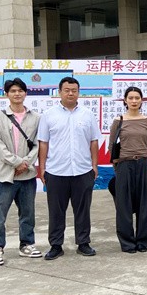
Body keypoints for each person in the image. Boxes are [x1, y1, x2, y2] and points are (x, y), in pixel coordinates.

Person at [38, 76, 101, 260]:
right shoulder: (49, 115)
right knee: (56, 211)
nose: (70, 93)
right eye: (67, 90)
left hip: (82, 170)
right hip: (56, 171)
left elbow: (94, 141)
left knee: (83, 210)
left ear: (78, 92)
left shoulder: (87, 115)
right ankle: (56, 245)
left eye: (74, 90)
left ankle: (83, 243)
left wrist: (94, 165)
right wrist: (42, 168)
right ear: (60, 92)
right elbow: (43, 143)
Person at [0, 78, 42, 266]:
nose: (17, 94)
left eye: (20, 91)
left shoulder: (36, 117)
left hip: (27, 174)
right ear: (6, 94)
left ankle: (27, 244)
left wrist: (25, 163)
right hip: (4, 175)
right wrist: (17, 163)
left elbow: (38, 144)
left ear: (25, 93)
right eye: (13, 91)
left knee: (28, 213)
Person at [108, 86, 147, 254]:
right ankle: (127, 242)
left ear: (141, 100)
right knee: (124, 205)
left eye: (137, 98)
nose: (134, 101)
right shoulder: (118, 121)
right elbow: (112, 145)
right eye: (131, 98)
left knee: (145, 204)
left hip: (143, 164)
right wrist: (119, 166)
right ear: (125, 101)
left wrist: (140, 157)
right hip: (124, 165)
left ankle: (143, 241)